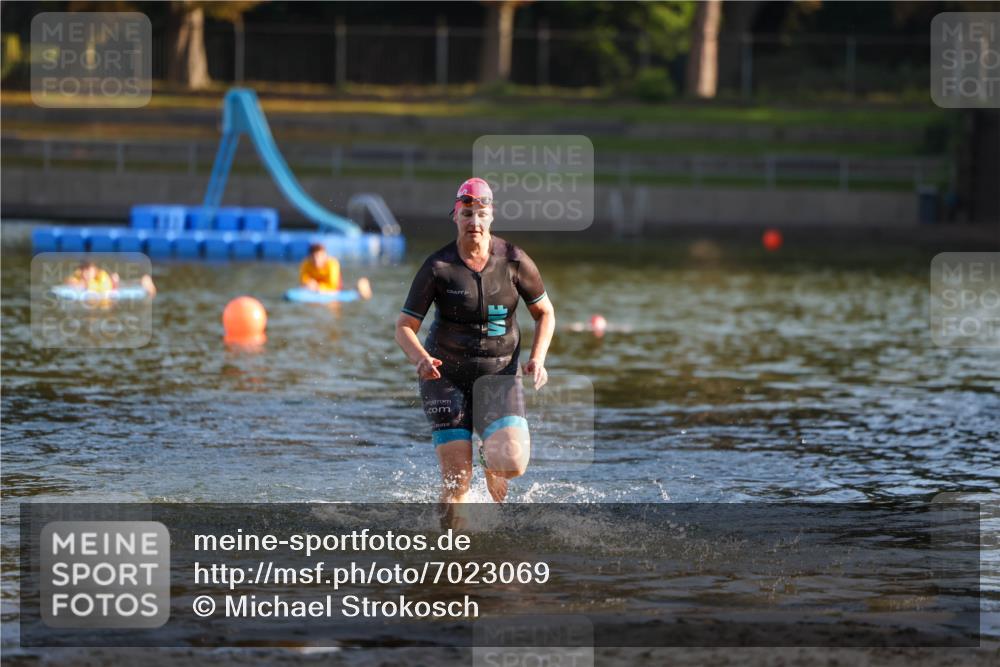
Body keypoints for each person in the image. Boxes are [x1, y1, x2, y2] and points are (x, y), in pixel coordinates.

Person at [395, 178, 556, 524]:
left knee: (512, 464)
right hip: (445, 376)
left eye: (481, 213)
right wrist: (420, 358)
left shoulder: (514, 260)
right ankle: (452, 556)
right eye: (467, 213)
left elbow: (545, 313)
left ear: (491, 217)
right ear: (456, 217)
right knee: (457, 480)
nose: (474, 222)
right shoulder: (439, 267)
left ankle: (488, 455)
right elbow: (404, 327)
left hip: (500, 375)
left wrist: (537, 358)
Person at [299, 243, 372, 299]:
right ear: (310, 257)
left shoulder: (332, 264)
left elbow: (333, 286)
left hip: (338, 289)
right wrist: (308, 284)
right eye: (314, 257)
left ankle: (362, 286)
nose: (317, 260)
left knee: (360, 288)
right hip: (318, 288)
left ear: (325, 255)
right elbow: (303, 281)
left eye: (319, 256)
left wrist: (317, 287)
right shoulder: (306, 264)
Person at [66, 261, 157, 297]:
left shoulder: (101, 276)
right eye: (84, 271)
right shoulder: (79, 274)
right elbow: (70, 280)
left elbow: (100, 289)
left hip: (114, 285)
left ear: (94, 271)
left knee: (131, 285)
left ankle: (144, 281)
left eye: (89, 272)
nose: (86, 274)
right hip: (111, 283)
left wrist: (84, 284)